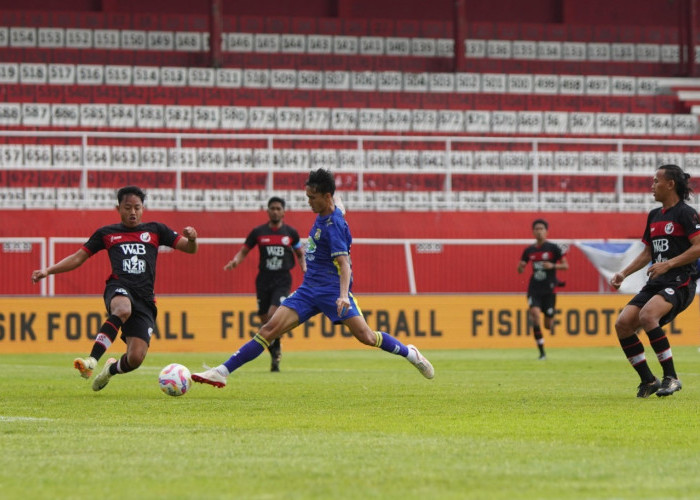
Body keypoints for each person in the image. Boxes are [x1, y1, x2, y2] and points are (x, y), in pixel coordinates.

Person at [191, 168, 434, 387]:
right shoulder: (330, 209)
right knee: (269, 329)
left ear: (325, 196)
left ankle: (410, 353)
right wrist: (338, 203)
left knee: (367, 337)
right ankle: (222, 371)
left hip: (331, 291)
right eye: (307, 197)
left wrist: (343, 296)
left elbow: (344, 264)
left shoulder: (334, 226)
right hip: (308, 290)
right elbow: (338, 204)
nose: (308, 202)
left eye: (312, 197)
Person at [31, 186, 198, 391]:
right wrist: (48, 270)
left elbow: (189, 249)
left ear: (143, 209)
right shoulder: (107, 234)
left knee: (135, 358)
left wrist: (192, 239)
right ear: (118, 208)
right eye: (127, 207)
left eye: (137, 207)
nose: (133, 212)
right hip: (119, 287)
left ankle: (109, 370)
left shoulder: (155, 230)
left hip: (145, 299)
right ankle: (92, 361)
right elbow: (78, 257)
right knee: (122, 309)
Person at [610, 164, 700, 398]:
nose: (652, 185)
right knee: (622, 324)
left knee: (647, 316)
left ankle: (672, 378)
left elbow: (698, 247)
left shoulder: (686, 213)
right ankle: (648, 380)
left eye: (656, 181)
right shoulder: (654, 216)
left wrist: (669, 264)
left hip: (680, 280)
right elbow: (648, 252)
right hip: (657, 282)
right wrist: (624, 273)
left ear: (670, 184)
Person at [224, 196, 306, 372]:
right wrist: (235, 261)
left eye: (278, 208)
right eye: (272, 208)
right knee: (263, 319)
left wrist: (305, 267)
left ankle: (275, 346)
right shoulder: (258, 232)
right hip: (263, 280)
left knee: (272, 315)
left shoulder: (290, 233)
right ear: (268, 211)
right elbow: (244, 250)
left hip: (282, 280)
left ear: (283, 211)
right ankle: (275, 348)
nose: (275, 211)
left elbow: (300, 253)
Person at [517, 218, 569, 360]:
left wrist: (553, 266)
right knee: (534, 315)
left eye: (541, 229)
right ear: (533, 231)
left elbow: (565, 266)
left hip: (550, 289)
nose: (539, 231)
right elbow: (520, 269)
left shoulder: (553, 248)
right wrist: (520, 267)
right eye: (537, 229)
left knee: (548, 325)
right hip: (534, 288)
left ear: (546, 231)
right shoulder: (529, 250)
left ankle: (551, 315)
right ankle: (542, 352)